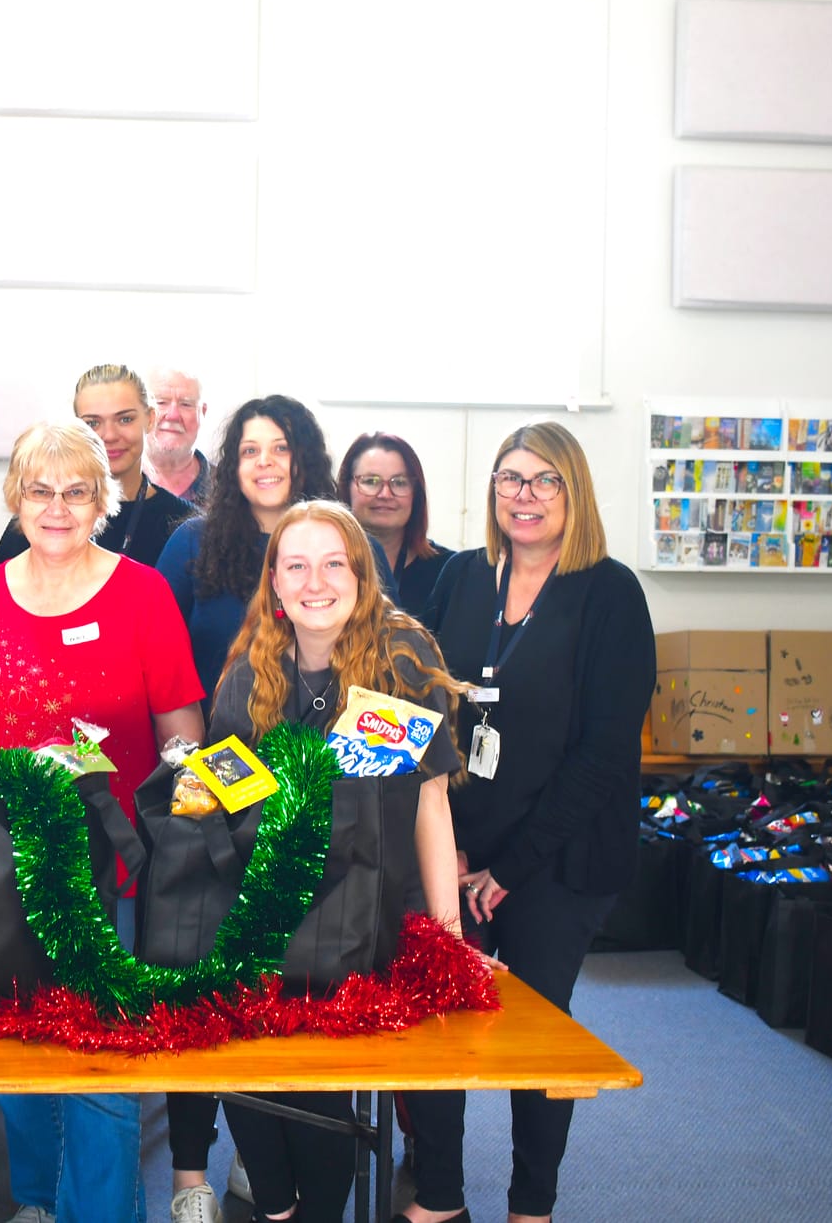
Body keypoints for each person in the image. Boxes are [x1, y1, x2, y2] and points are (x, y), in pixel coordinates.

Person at [0, 419, 206, 1223]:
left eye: (77, 491)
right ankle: (39, 1200)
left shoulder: (143, 593)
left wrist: (148, 806)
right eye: (40, 490)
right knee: (19, 1056)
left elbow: (183, 736)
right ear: (16, 498)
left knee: (99, 1067)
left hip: (111, 869)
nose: (57, 507)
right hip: (1, 869)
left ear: (102, 501)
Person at [403, 421, 655, 1223]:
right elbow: (426, 701)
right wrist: (447, 842)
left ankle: (531, 1207)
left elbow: (605, 753)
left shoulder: (610, 593)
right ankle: (439, 1197)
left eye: (546, 479)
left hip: (561, 857)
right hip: (462, 844)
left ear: (573, 492)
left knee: (538, 1031)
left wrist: (509, 869)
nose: (526, 495)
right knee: (435, 1018)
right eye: (511, 478)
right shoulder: (463, 577)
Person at [206, 500, 476, 1223]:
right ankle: (276, 1205)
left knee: (328, 1088)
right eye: (296, 565)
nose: (315, 582)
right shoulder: (248, 673)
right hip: (275, 917)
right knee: (238, 1059)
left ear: (361, 574)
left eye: (334, 564)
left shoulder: (402, 657)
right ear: (274, 580)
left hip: (377, 912)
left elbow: (431, 804)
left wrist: (446, 934)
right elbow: (226, 801)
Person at [157, 395, 337, 701]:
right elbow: (153, 653)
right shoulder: (192, 541)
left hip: (326, 730)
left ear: (306, 459)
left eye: (281, 448)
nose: (264, 461)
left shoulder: (348, 543)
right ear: (234, 466)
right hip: (209, 728)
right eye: (250, 451)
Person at [0, 364, 195, 570]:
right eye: (92, 423)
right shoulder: (41, 521)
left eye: (125, 419)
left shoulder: (185, 525)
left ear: (150, 419)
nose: (110, 435)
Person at [339, 430, 453, 620]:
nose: (385, 494)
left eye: (399, 482)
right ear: (346, 487)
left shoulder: (449, 570)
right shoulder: (323, 566)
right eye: (371, 481)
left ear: (416, 494)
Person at [143, 366, 211, 504]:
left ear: (203, 412)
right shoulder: (108, 485)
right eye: (161, 402)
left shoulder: (231, 489)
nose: (173, 415)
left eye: (186, 404)